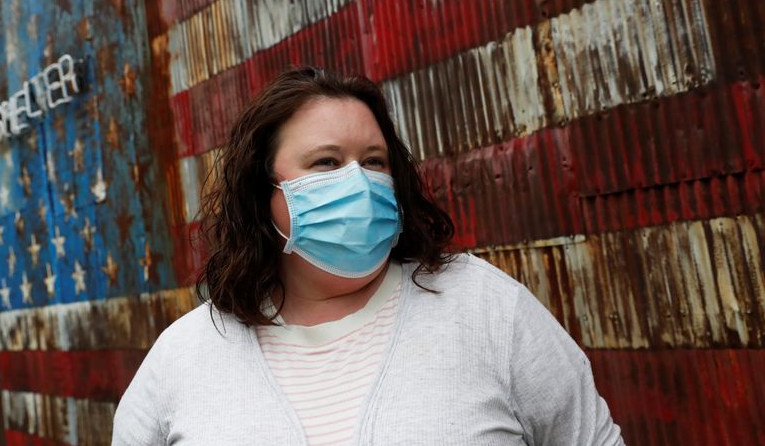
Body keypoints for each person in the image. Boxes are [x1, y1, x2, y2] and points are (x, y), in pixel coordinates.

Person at [112, 66, 623, 445]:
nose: (357, 182)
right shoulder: (185, 356)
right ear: (261, 190)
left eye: (374, 162)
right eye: (327, 162)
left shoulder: (485, 308)